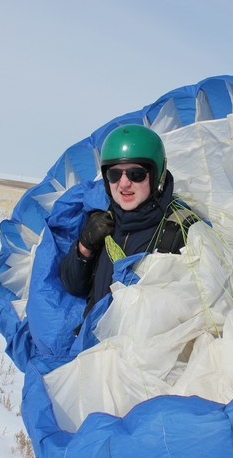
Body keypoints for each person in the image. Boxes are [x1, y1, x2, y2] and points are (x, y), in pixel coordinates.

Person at [59, 124, 198, 315]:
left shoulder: (180, 230)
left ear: (157, 175)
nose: (124, 184)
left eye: (136, 174)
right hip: (94, 340)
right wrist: (84, 247)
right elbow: (73, 286)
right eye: (114, 174)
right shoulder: (103, 219)